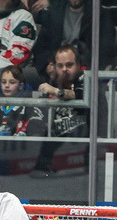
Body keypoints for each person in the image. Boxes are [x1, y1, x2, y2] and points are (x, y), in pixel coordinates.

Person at [32, 44, 87, 177]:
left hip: (84, 140)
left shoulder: (84, 78)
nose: (64, 70)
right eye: (60, 66)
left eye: (69, 65)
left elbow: (80, 95)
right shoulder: (54, 80)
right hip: (59, 136)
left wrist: (56, 91)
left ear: (78, 65)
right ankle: (43, 165)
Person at [32, 0, 117, 75]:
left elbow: (106, 50)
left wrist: (83, 66)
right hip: (55, 67)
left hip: (84, 70)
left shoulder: (99, 15)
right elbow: (41, 46)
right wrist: (48, 65)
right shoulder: (54, 13)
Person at [0, 64, 43, 135]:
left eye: (12, 82)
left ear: (21, 86)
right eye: (3, 82)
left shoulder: (27, 106)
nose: (7, 85)